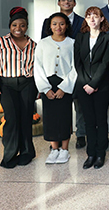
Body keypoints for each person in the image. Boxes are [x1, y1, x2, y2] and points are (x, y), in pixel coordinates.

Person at [0, 7, 37, 168]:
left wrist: (39, 89)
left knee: (26, 118)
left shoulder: (33, 45)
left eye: (22, 25)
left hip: (28, 84)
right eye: (15, 25)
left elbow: (37, 68)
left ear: (27, 26)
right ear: (10, 26)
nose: (18, 28)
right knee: (11, 119)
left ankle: (27, 152)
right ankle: (9, 155)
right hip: (7, 85)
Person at [41, 0, 86, 149]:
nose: (66, 2)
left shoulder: (82, 22)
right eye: (63, 0)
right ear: (58, 3)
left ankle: (80, 134)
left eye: (69, 0)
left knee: (77, 106)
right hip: (52, 75)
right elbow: (43, 49)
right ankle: (55, 140)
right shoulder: (49, 22)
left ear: (74, 3)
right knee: (53, 111)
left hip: (72, 72)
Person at [74, 7, 109, 169]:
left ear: (102, 19)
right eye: (89, 16)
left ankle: (100, 153)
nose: (92, 19)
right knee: (88, 121)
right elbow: (77, 63)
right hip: (83, 86)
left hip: (102, 85)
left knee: (100, 120)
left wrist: (94, 84)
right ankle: (90, 154)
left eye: (95, 16)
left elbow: (105, 63)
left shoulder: (108, 38)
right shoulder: (80, 37)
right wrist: (86, 83)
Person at [35, 13, 78, 164]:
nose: (58, 27)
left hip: (64, 85)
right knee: (50, 117)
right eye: (54, 24)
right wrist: (45, 88)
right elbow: (38, 67)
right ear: (50, 26)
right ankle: (54, 149)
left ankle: (65, 150)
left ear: (67, 25)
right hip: (48, 84)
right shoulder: (43, 43)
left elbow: (75, 67)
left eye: (61, 24)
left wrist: (65, 87)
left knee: (64, 116)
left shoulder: (73, 43)